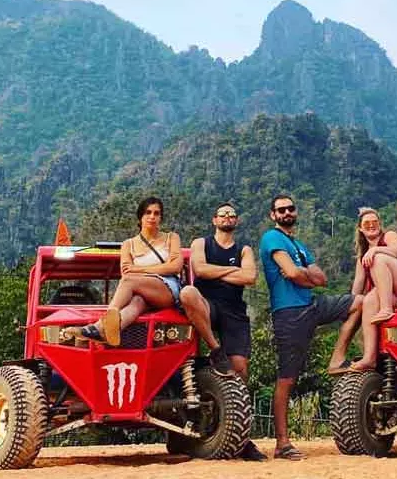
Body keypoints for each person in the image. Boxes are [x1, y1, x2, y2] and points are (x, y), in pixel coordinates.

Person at [62, 197, 233, 376]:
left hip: (167, 288)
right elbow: (125, 270)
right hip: (143, 294)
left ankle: (102, 323)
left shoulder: (171, 238)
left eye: (156, 213)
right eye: (148, 213)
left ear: (160, 218)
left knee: (129, 281)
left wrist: (139, 269)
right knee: (135, 303)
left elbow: (173, 267)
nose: (152, 217)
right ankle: (110, 328)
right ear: (140, 217)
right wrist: (145, 271)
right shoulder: (128, 244)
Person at [260, 195, 361, 461]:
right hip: (289, 313)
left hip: (312, 304)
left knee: (360, 302)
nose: (286, 213)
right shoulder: (271, 238)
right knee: (287, 378)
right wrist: (303, 274)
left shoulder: (299, 245)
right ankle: (282, 443)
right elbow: (293, 274)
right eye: (281, 210)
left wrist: (301, 274)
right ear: (273, 215)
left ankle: (337, 356)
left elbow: (321, 278)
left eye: (290, 208)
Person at [188, 202, 269, 461]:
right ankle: (215, 348)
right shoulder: (201, 243)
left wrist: (217, 273)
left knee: (240, 368)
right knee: (188, 293)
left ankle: (241, 437)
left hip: (234, 310)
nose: (227, 218)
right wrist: (233, 272)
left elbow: (250, 278)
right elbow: (199, 270)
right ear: (214, 219)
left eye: (232, 215)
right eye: (223, 214)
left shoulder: (243, 249)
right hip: (207, 305)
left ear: (237, 221)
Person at [344, 207, 397, 373]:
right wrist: (348, 308)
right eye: (367, 223)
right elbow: (357, 287)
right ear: (360, 228)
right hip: (390, 293)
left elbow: (395, 251)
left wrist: (375, 250)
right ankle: (369, 357)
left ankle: (386, 309)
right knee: (369, 300)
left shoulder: (389, 236)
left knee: (378, 260)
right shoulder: (362, 258)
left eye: (375, 222)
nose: (371, 225)